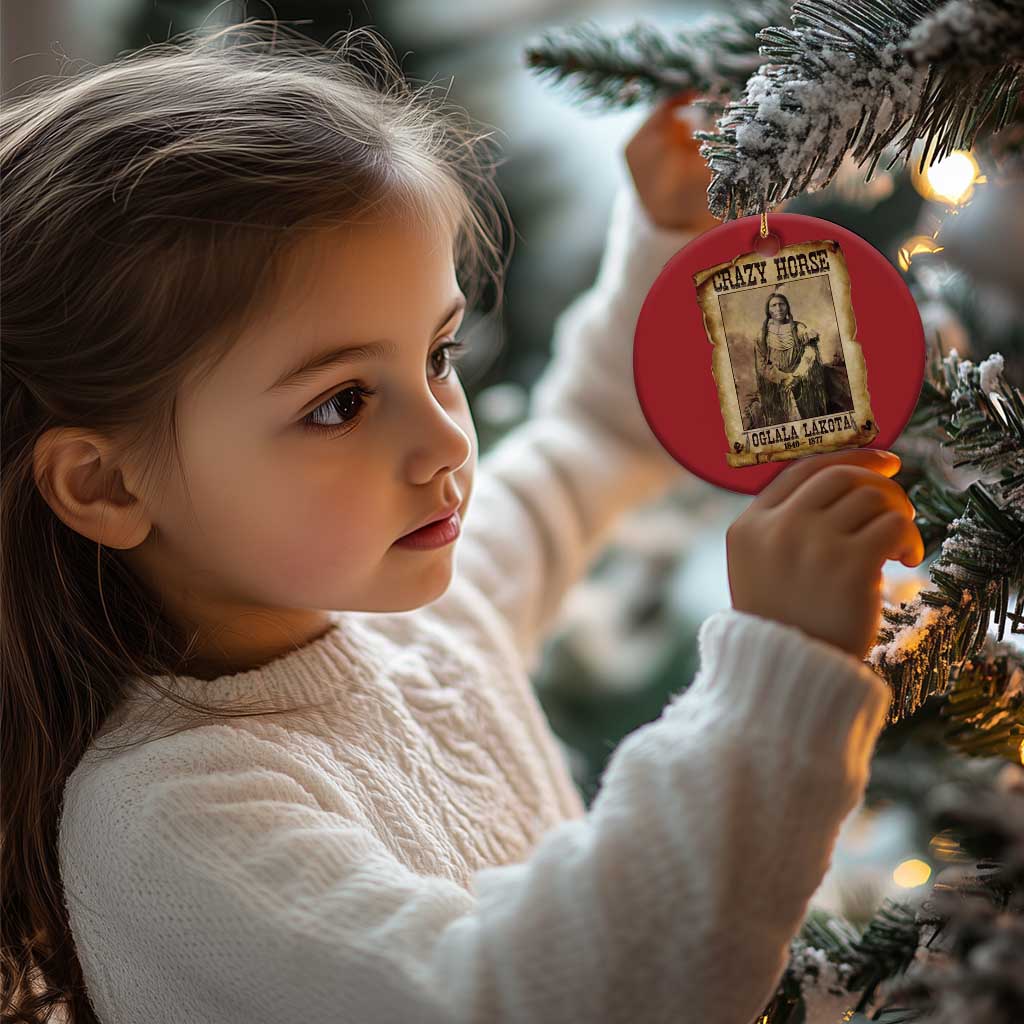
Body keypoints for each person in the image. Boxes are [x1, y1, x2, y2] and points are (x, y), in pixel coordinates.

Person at [0, 21, 923, 1024]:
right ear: (106, 488)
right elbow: (531, 1000)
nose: (443, 442)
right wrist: (775, 675)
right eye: (340, 402)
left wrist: (668, 237)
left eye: (437, 356)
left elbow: (593, 438)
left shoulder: (424, 620)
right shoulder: (169, 817)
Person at [754, 292, 830, 425]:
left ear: (787, 307)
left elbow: (810, 353)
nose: (778, 308)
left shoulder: (800, 329)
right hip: (777, 386)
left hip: (800, 382)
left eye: (781, 304)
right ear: (768, 310)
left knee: (808, 421)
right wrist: (783, 378)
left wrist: (796, 376)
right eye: (774, 305)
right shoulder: (762, 336)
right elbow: (761, 365)